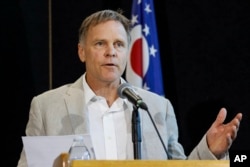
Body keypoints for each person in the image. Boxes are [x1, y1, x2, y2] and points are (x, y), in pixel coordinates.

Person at [17, 9, 242, 167]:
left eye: (119, 44)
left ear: (126, 52)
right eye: (100, 43)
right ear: (81, 52)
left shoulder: (156, 107)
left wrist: (211, 150)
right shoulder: (46, 106)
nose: (111, 52)